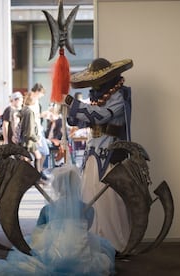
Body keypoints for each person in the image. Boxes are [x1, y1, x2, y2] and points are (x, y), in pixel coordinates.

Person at [0, 165, 116, 275]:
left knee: (32, 243)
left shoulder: (48, 209)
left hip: (53, 257)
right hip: (80, 257)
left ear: (57, 188)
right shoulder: (88, 209)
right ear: (77, 186)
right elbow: (86, 228)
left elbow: (38, 230)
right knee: (101, 251)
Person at [63, 57, 133, 252]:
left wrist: (75, 105)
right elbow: (88, 120)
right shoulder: (97, 97)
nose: (96, 84)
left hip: (111, 153)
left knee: (110, 199)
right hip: (93, 152)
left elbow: (103, 115)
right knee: (90, 195)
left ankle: (114, 243)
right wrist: (70, 110)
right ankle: (94, 239)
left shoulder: (120, 95)